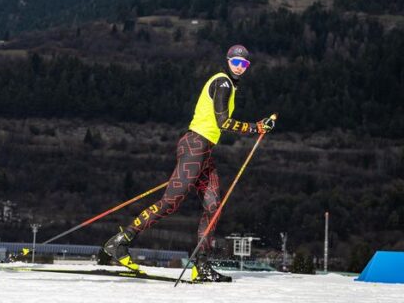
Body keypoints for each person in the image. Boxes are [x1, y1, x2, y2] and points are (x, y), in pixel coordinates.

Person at [101, 44, 274, 282]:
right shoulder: (222, 82)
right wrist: (256, 127)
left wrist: (258, 126)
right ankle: (119, 243)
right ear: (227, 61)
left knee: (213, 206)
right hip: (195, 146)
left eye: (244, 64)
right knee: (170, 202)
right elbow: (223, 122)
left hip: (204, 152)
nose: (239, 67)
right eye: (235, 62)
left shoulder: (229, 85)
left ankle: (201, 264)